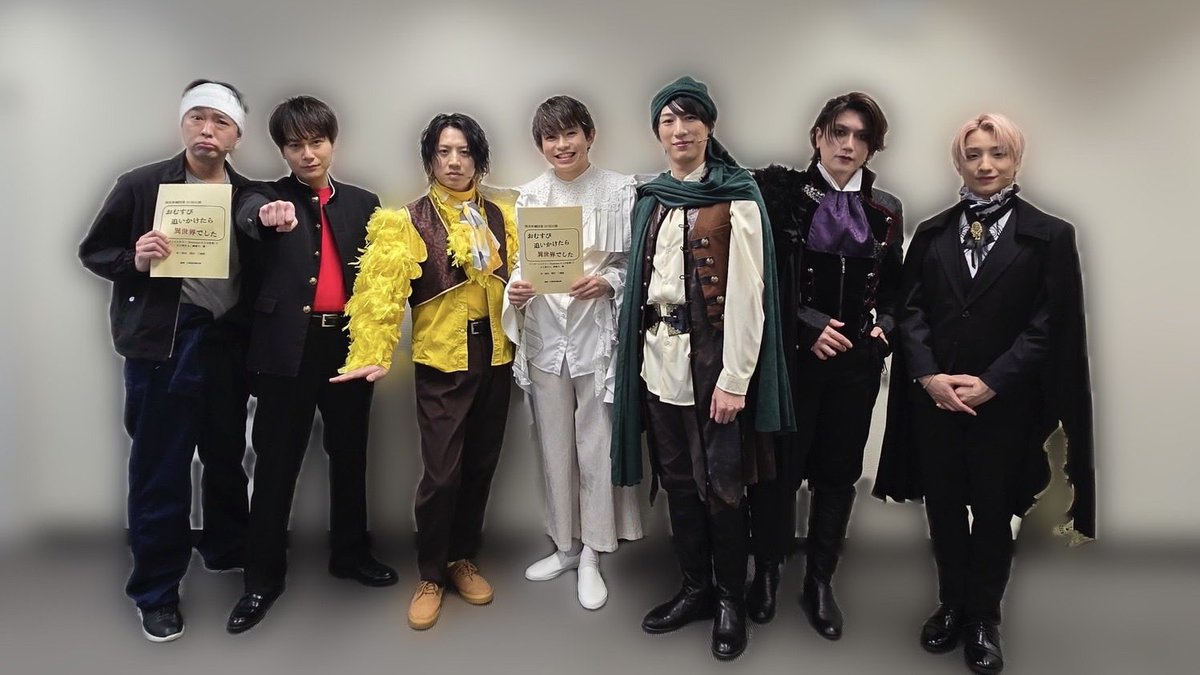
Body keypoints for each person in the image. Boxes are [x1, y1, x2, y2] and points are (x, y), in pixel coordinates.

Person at [874, 113, 1095, 675]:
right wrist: (928, 375)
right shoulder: (932, 233)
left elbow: (1050, 324)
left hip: (1007, 405)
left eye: (997, 153)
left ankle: (983, 618)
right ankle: (951, 604)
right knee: (944, 508)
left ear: (1017, 159)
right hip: (937, 401)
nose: (985, 164)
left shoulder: (1049, 236)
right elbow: (911, 310)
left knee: (995, 512)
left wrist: (994, 381)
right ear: (959, 163)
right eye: (973, 154)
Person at [610, 76, 793, 660]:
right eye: (668, 120)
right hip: (658, 368)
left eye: (690, 118)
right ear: (657, 132)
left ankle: (730, 600)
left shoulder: (738, 196)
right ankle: (694, 590)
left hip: (713, 369)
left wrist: (735, 380)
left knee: (723, 488)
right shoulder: (652, 198)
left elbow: (749, 296)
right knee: (680, 484)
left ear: (709, 126)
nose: (680, 130)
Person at [78, 79, 254, 642]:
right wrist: (135, 257)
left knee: (227, 457)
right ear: (182, 123)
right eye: (197, 118)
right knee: (161, 469)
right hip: (164, 347)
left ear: (237, 135)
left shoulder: (248, 194)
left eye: (220, 121)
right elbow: (94, 251)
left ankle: (226, 548)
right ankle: (155, 592)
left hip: (226, 345)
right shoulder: (141, 185)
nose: (207, 130)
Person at [331, 113, 518, 631]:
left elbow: (527, 280)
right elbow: (381, 295)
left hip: (497, 356)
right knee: (441, 475)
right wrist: (372, 352)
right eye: (443, 152)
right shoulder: (406, 220)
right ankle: (431, 574)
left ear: (479, 158)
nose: (454, 162)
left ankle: (462, 558)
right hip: (441, 362)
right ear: (430, 159)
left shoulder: (504, 218)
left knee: (480, 465)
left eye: (464, 151)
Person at [225, 95, 397, 634]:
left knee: (350, 456)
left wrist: (377, 347)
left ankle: (350, 554)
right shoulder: (263, 196)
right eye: (295, 145)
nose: (308, 154)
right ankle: (261, 579)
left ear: (332, 143)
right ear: (282, 150)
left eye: (317, 142)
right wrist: (263, 215)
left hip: (346, 346)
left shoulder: (364, 202)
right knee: (276, 464)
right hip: (285, 351)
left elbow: (379, 281)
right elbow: (248, 216)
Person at [748, 92, 903, 637]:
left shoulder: (886, 208)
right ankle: (768, 573)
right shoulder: (782, 196)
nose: (848, 145)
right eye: (839, 132)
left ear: (871, 147)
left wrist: (885, 328)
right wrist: (805, 325)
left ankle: (819, 581)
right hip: (792, 364)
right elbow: (759, 281)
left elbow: (896, 286)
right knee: (779, 475)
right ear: (818, 136)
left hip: (855, 370)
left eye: (861, 137)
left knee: (838, 477)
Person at [502, 95, 643, 610]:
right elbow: (521, 263)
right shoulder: (530, 195)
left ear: (589, 135)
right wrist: (516, 288)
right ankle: (565, 545)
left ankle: (593, 553)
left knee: (596, 446)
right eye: (550, 137)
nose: (561, 145)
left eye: (570, 134)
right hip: (545, 335)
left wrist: (607, 282)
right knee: (553, 445)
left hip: (596, 336)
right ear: (540, 144)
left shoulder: (621, 191)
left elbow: (633, 263)